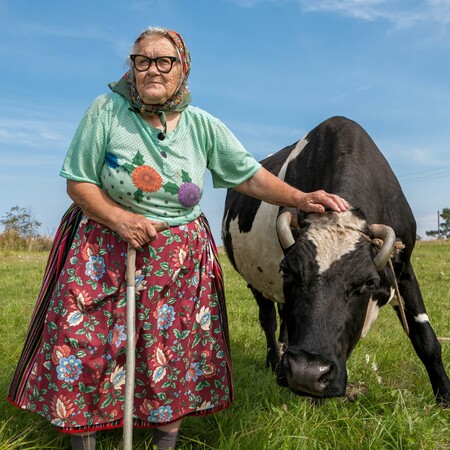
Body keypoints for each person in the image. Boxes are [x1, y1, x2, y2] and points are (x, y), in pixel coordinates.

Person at [7, 27, 349, 450]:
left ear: (182, 68)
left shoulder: (202, 125)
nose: (153, 69)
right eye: (142, 60)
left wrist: (302, 196)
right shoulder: (106, 110)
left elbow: (249, 176)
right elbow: (79, 182)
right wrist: (119, 218)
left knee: (168, 352)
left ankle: (164, 442)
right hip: (102, 247)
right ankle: (85, 440)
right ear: (131, 67)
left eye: (164, 60)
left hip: (179, 257)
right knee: (82, 344)